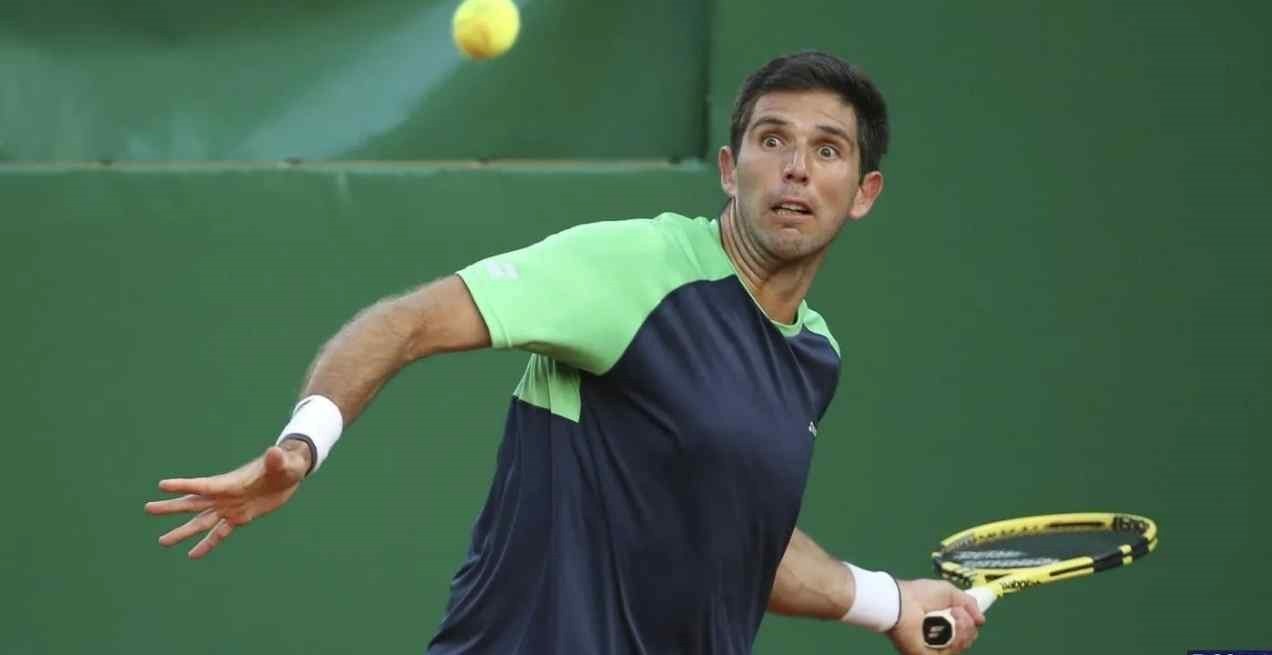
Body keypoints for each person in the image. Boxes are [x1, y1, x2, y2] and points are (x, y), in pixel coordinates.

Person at [145, 51, 985, 654]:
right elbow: (406, 322)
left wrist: (889, 602)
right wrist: (304, 443)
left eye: (827, 150)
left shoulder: (815, 357)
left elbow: (738, 541)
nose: (796, 169)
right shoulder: (635, 269)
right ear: (731, 169)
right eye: (772, 140)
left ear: (863, 193)